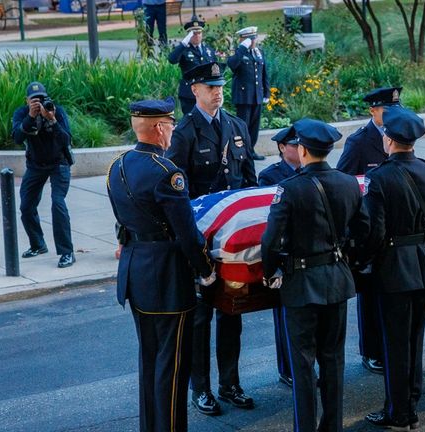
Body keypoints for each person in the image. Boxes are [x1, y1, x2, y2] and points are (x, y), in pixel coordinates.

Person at [106, 96, 216, 432]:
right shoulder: (168, 174)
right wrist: (206, 270)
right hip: (167, 279)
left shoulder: (117, 166)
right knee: (172, 366)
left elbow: (123, 225)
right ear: (158, 128)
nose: (172, 131)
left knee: (150, 360)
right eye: (170, 125)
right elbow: (187, 235)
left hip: (135, 273)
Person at [261, 118, 369, 432]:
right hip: (337, 280)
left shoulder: (290, 188)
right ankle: (332, 426)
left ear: (303, 149)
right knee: (333, 360)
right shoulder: (349, 183)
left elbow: (270, 239)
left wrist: (271, 272)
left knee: (303, 364)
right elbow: (364, 230)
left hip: (301, 284)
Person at [166, 61, 258, 416]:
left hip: (232, 242)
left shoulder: (236, 125)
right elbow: (177, 193)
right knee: (202, 318)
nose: (218, 91)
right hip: (201, 241)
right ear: (195, 91)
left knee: (232, 313)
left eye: (220, 85)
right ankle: (201, 389)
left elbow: (249, 182)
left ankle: (230, 383)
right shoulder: (185, 133)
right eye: (210, 87)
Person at [361, 106, 425, 430]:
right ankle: (410, 400)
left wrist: (364, 261)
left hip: (394, 270)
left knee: (396, 344)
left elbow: (375, 231)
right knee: (414, 339)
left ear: (388, 140)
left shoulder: (379, 178)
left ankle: (399, 412)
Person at [336, 86, 402, 375]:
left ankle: (387, 346)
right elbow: (345, 182)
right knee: (371, 295)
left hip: (394, 226)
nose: (392, 115)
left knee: (390, 294)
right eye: (387, 110)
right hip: (369, 227)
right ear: (373, 111)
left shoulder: (400, 135)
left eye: (396, 109)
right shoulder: (359, 143)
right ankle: (371, 351)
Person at [12, 81, 76, 269]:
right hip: (36, 165)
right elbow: (17, 137)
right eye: (33, 100)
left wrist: (53, 120)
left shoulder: (57, 111)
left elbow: (66, 140)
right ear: (27, 101)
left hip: (59, 163)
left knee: (58, 203)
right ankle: (38, 244)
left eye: (41, 98)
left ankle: (67, 252)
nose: (38, 103)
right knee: (26, 206)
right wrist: (30, 117)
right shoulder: (22, 113)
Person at [257, 126, 300, 388]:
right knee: (284, 317)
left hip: (304, 251)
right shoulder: (270, 176)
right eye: (295, 145)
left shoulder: (308, 171)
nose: (300, 148)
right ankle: (288, 369)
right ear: (283, 148)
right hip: (284, 254)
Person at [228, 26, 270, 161]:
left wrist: (266, 93)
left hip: (257, 95)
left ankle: (251, 151)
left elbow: (264, 74)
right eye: (249, 39)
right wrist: (242, 48)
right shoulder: (238, 53)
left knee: (254, 127)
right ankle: (242, 152)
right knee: (242, 127)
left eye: (254, 38)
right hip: (243, 96)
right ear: (242, 39)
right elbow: (232, 65)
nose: (253, 41)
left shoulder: (259, 52)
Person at [168, 17, 217, 115]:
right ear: (189, 35)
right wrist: (183, 43)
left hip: (206, 93)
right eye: (194, 34)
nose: (197, 36)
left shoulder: (208, 50)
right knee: (191, 124)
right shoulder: (184, 49)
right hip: (189, 94)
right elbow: (172, 59)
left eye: (199, 33)